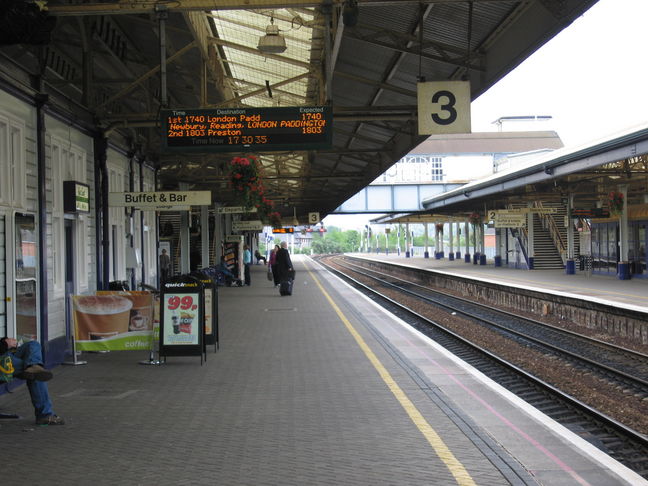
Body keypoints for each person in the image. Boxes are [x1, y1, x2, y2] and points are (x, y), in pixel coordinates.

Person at [0, 337, 64, 425]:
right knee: (36, 372)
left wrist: (5, 341)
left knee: (33, 344)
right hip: (3, 358)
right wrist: (5, 344)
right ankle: (44, 415)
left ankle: (33, 366)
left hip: (6, 353)